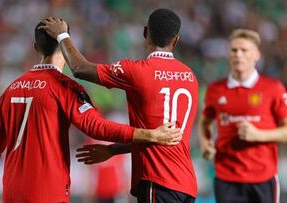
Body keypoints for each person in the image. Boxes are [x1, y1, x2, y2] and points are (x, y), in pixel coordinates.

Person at [0, 20, 184, 203]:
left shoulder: (11, 89)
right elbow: (96, 127)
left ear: (36, 48)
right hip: (48, 192)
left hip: (12, 193)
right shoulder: (64, 87)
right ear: (66, 46)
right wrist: (149, 134)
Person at [40, 8, 199, 203]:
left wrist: (62, 35)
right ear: (176, 40)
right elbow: (159, 139)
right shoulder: (190, 76)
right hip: (187, 184)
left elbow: (80, 69)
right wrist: (112, 151)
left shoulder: (137, 71)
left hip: (158, 180)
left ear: (145, 33)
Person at [197, 29, 287, 203]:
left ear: (256, 55)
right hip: (226, 177)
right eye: (233, 50)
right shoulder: (216, 89)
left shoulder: (273, 88)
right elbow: (205, 122)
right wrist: (205, 143)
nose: (238, 54)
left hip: (263, 176)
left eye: (244, 50)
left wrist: (259, 135)